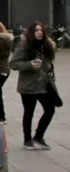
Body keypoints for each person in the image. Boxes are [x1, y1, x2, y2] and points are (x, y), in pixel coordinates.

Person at [10, 22, 58, 150]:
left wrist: (48, 68)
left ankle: (38, 136)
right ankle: (27, 140)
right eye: (36, 30)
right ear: (32, 32)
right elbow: (13, 64)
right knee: (29, 112)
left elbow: (48, 64)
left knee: (50, 109)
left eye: (41, 30)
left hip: (43, 84)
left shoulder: (46, 45)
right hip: (28, 85)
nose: (40, 32)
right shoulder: (24, 45)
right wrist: (29, 65)